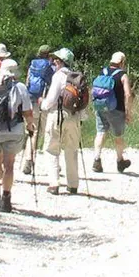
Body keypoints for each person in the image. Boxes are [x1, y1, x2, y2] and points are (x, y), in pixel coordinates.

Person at [0, 57, 35, 212]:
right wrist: (30, 125)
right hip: (14, 129)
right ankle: (6, 199)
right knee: (9, 164)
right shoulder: (20, 87)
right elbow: (27, 111)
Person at [41, 47, 83, 195]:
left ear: (60, 62)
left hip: (57, 116)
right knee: (71, 150)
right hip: (74, 117)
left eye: (56, 60)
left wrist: (42, 104)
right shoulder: (77, 77)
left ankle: (54, 184)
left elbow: (51, 99)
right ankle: (73, 185)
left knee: (52, 149)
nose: (54, 62)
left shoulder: (58, 76)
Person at [90, 50, 133, 173]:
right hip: (117, 110)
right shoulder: (122, 75)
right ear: (121, 62)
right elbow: (128, 94)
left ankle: (96, 160)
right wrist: (128, 112)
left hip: (100, 108)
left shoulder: (102, 72)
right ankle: (120, 161)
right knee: (118, 136)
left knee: (100, 133)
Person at [22, 44, 55, 175]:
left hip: (30, 98)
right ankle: (37, 161)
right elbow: (52, 83)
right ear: (49, 55)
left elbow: (27, 81)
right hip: (43, 100)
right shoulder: (49, 66)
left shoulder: (33, 64)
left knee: (31, 131)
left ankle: (28, 159)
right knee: (43, 132)